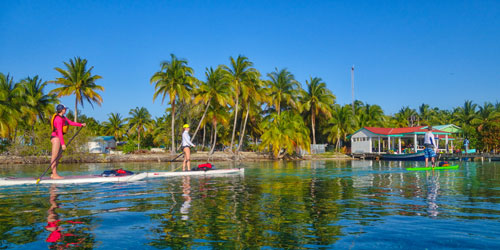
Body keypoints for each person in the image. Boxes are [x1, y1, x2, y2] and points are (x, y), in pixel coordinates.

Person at [50, 104, 85, 179]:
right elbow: (59, 132)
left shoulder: (63, 118)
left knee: (59, 156)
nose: (66, 110)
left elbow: (71, 122)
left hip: (58, 137)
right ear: (62, 110)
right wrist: (63, 144)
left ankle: (53, 173)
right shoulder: (58, 119)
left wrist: (80, 124)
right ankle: (54, 174)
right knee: (55, 156)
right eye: (65, 109)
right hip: (55, 138)